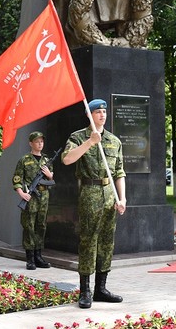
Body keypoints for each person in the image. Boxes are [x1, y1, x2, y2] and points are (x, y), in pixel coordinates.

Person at [62, 99, 126, 309]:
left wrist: (122, 197)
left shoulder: (114, 141)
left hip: (110, 194)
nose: (102, 115)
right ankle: (85, 290)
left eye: (104, 112)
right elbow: (67, 159)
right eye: (98, 112)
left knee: (107, 241)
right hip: (89, 192)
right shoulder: (78, 137)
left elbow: (119, 172)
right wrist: (89, 142)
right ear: (89, 115)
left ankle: (101, 288)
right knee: (88, 241)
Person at [13, 131, 54, 270]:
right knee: (29, 226)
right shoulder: (24, 160)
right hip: (30, 198)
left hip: (43, 197)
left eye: (42, 141)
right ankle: (30, 258)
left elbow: (51, 180)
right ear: (31, 143)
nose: (40, 143)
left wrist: (49, 175)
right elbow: (17, 179)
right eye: (37, 141)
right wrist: (22, 193)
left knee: (41, 226)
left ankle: (38, 256)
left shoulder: (46, 160)